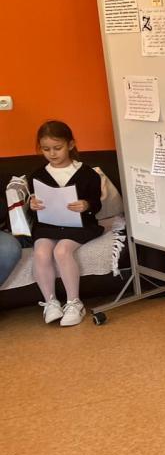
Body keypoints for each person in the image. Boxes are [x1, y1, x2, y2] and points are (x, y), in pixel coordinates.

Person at [28, 121, 104, 326]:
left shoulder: (88, 174)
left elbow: (96, 204)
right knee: (41, 252)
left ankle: (74, 302)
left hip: (80, 225)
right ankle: (50, 302)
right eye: (46, 149)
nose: (52, 154)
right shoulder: (37, 175)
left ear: (70, 144)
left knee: (62, 251)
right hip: (48, 226)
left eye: (57, 148)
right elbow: (34, 207)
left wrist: (86, 205)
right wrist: (32, 205)